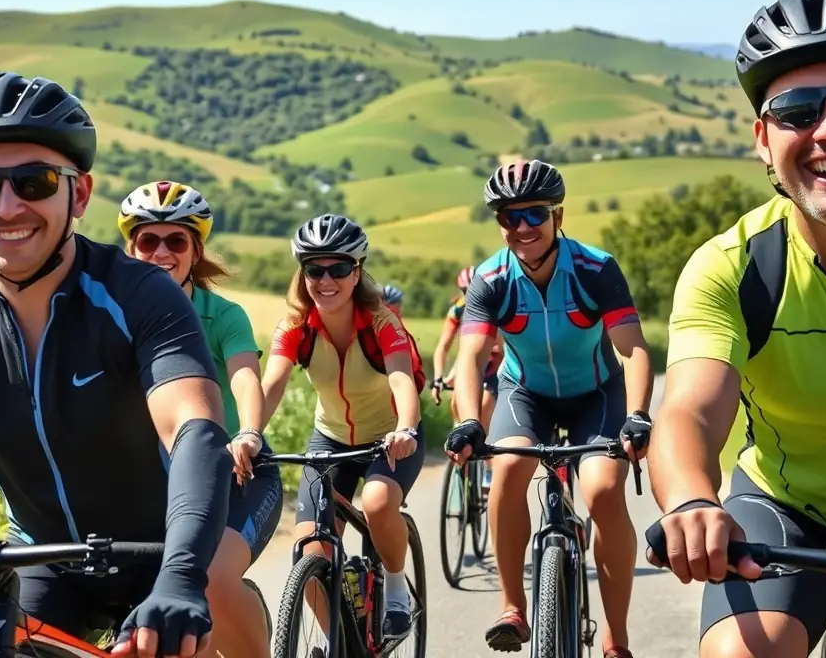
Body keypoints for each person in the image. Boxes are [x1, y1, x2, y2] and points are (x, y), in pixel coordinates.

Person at [0, 71, 267, 658]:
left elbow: (194, 428)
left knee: (203, 608)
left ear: (79, 193)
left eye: (35, 181)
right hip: (47, 557)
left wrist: (181, 574)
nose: (6, 205)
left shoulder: (139, 293)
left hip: (166, 547)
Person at [645, 0, 826, 658]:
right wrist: (690, 502)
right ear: (763, 140)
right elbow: (689, 413)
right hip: (790, 517)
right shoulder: (731, 268)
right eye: (797, 110)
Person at [443, 159, 655, 658]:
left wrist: (639, 413)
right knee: (509, 466)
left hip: (596, 394)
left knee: (603, 490)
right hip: (526, 394)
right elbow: (471, 357)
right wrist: (470, 420)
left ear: (558, 216)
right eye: (508, 217)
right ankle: (513, 608)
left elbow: (633, 348)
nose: (521, 228)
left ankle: (616, 638)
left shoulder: (595, 268)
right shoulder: (492, 279)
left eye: (533, 215)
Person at [118, 180, 284, 654]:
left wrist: (249, 431)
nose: (162, 251)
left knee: (205, 576)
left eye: (176, 240)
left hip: (240, 472)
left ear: (195, 250)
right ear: (132, 248)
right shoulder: (112, 317)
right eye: (149, 240)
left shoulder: (222, 315)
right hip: (159, 482)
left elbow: (244, 378)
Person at [257, 214, 425, 639]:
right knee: (309, 546)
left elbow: (403, 378)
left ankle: (396, 585)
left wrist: (405, 427)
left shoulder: (381, 322)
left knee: (378, 500)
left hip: (390, 436)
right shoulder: (295, 326)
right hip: (329, 438)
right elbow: (271, 384)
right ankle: (339, 641)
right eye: (315, 269)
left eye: (339, 268)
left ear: (357, 273)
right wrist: (248, 433)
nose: (326, 279)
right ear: (303, 274)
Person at [430, 265, 505, 493]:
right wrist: (438, 378)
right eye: (465, 291)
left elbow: (502, 349)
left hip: (496, 364)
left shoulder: (496, 306)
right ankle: (460, 441)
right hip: (469, 361)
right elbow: (443, 347)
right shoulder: (457, 310)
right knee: (457, 402)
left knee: (481, 411)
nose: (469, 296)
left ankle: (489, 466)